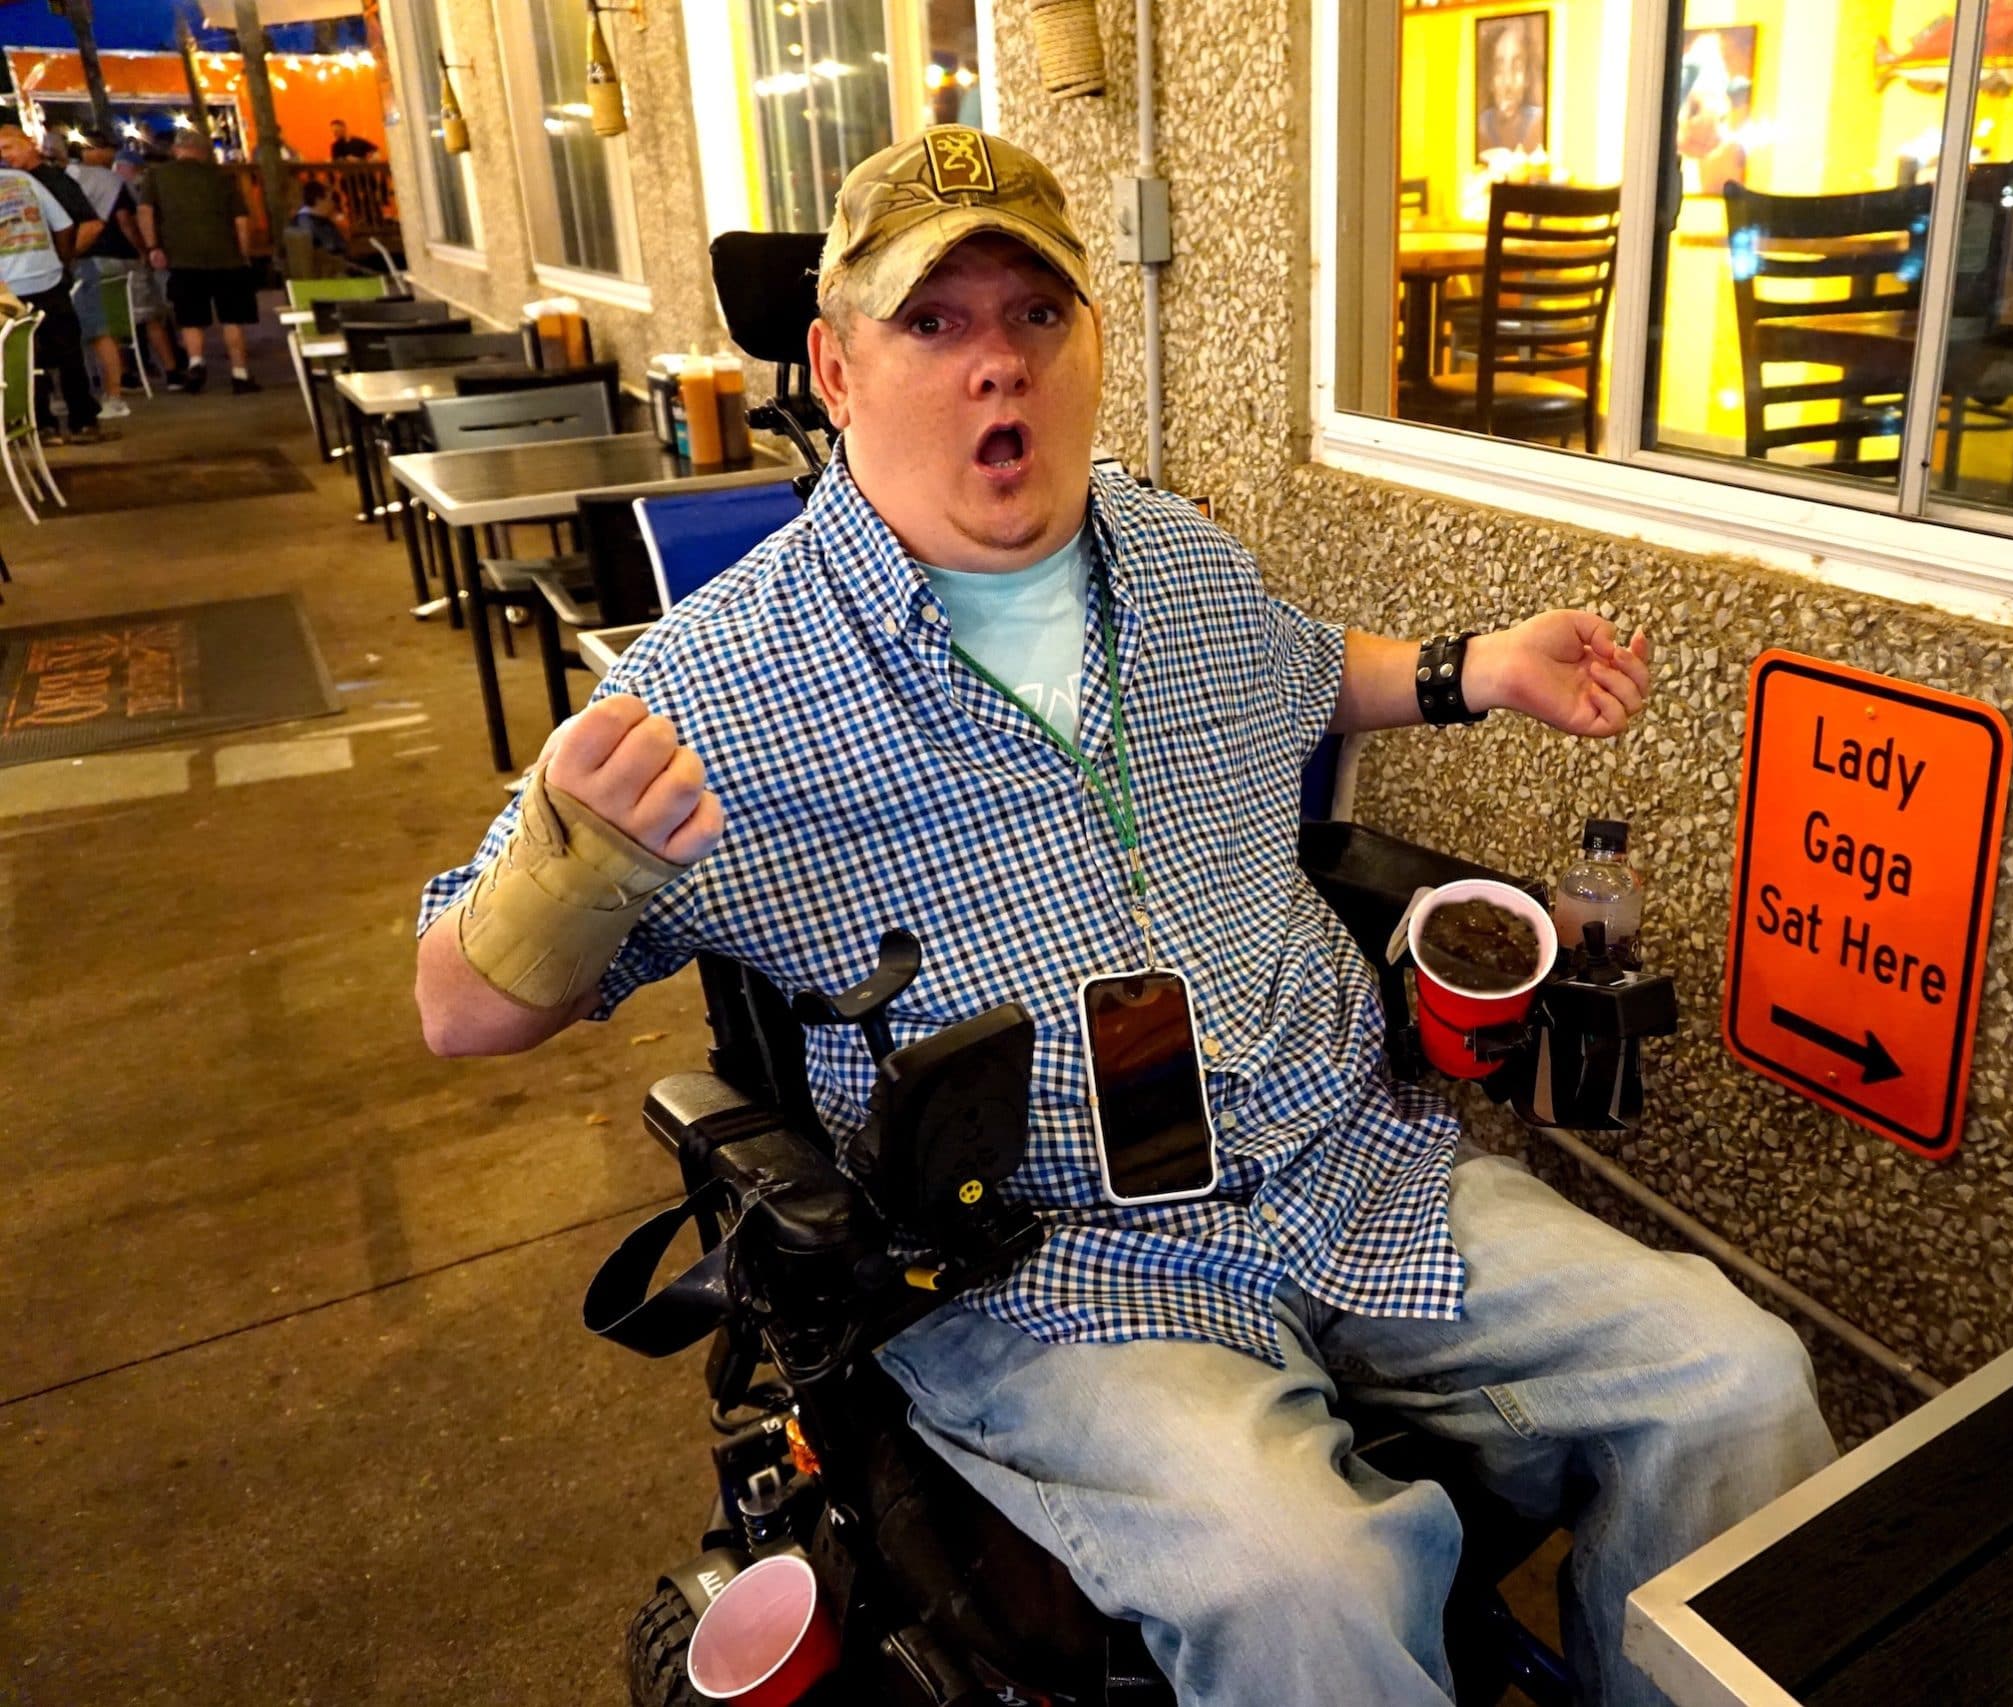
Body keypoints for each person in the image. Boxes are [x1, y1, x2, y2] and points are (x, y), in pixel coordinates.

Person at [413, 128, 1832, 1707]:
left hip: (1343, 1158)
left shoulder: (1168, 551)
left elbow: (1305, 663)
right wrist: (575, 866)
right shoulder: (717, 684)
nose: (996, 368)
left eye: (1036, 316)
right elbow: (462, 1003)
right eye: (932, 323)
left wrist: (1474, 667)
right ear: (832, 364)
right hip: (1050, 1265)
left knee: (1734, 1375)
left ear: (1091, 342)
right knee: (1314, 1576)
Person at [0, 131, 106, 443]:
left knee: (23, 355)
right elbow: (64, 225)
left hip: (7, 287)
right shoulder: (27, 182)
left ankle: (39, 424)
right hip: (47, 277)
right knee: (68, 350)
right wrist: (59, 261)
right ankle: (83, 421)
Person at [137, 133, 259, 394]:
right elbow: (241, 220)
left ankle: (196, 363)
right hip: (227, 257)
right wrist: (244, 253)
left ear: (177, 149)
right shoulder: (222, 177)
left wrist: (153, 246)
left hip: (181, 257)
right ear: (204, 152)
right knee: (232, 318)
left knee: (190, 316)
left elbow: (145, 212)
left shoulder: (158, 176)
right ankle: (239, 373)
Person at [67, 139, 160, 418]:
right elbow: (124, 220)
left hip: (90, 262)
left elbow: (121, 220)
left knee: (99, 328)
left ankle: (116, 388)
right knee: (124, 321)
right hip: (114, 259)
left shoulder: (84, 183)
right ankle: (134, 376)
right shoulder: (111, 182)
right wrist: (142, 249)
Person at [1476, 19, 1546, 159]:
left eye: (1517, 68)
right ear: (1490, 79)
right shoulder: (1480, 126)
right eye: (1499, 69)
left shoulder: (1538, 121)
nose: (1507, 83)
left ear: (1527, 77)